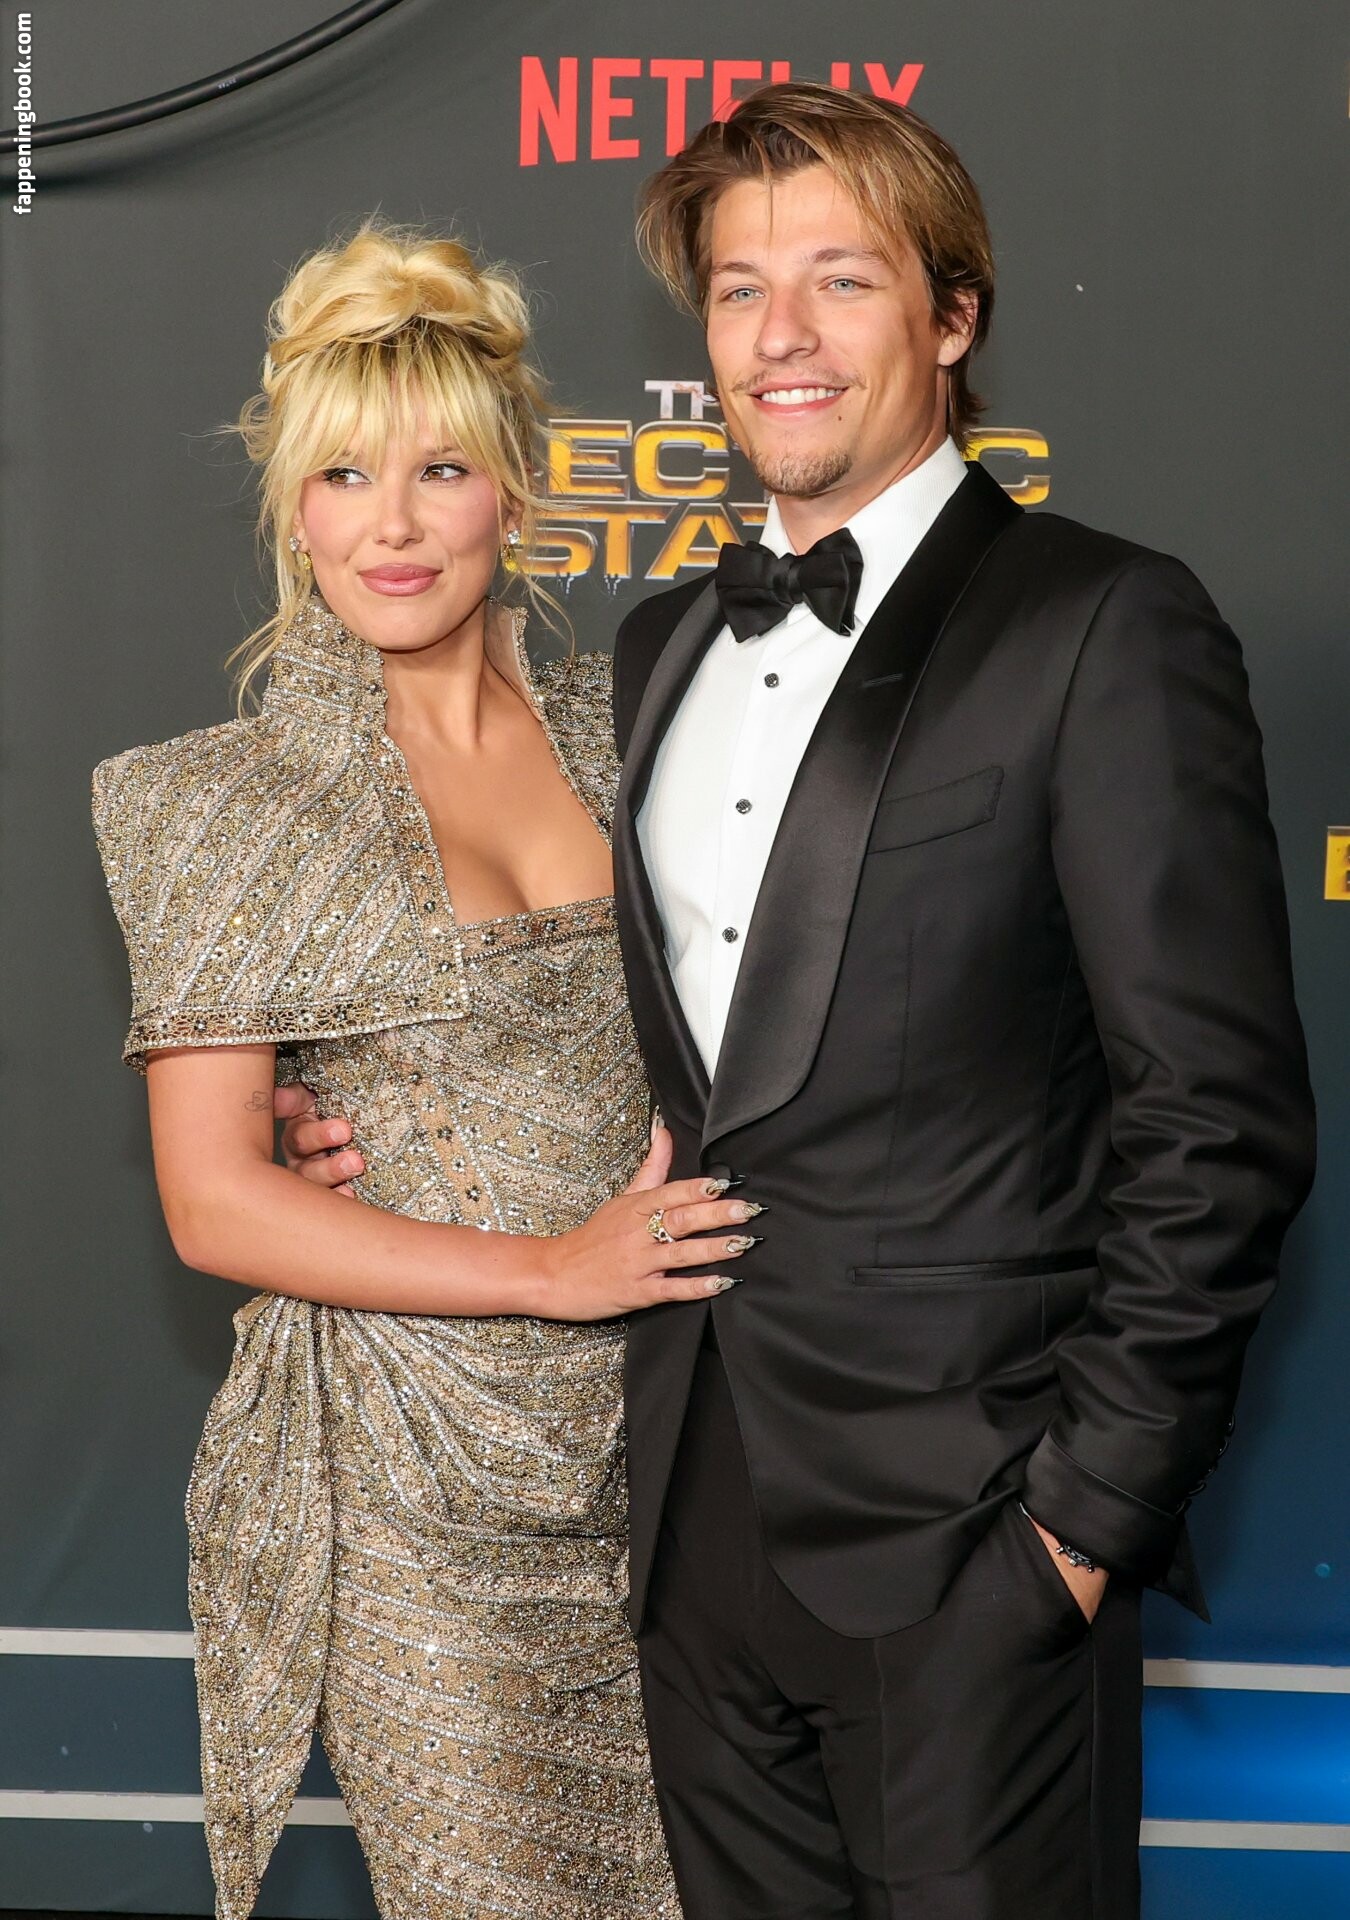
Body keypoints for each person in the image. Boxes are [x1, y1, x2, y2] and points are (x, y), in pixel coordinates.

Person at [279, 90, 1315, 1918]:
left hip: (974, 1536)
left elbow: (1214, 1122)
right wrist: (348, 1112)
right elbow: (676, 1039)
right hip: (687, 1525)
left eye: (841, 280)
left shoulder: (1101, 624)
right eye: (740, 288)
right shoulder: (664, 644)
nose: (781, 336)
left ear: (953, 314)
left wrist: (1080, 1528)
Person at [90, 220, 766, 1919]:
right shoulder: (211, 804)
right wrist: (549, 1271)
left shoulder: (643, 728)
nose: (388, 526)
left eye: (438, 470)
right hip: (417, 1492)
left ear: (516, 494)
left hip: (684, 1451)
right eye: (342, 477)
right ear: (292, 511)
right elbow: (214, 1202)